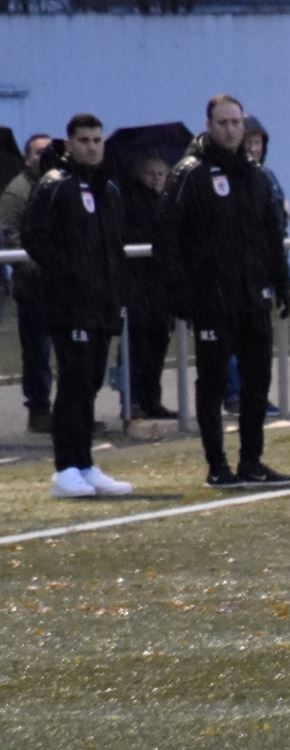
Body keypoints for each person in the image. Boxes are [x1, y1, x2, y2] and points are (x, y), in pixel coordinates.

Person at [156, 94, 290, 488]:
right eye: (223, 123)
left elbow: (272, 234)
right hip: (212, 299)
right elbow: (167, 236)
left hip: (253, 297)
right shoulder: (190, 173)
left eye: (236, 123)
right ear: (209, 125)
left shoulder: (255, 175)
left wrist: (281, 282)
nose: (231, 130)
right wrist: (180, 292)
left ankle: (252, 460)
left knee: (257, 381)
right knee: (213, 383)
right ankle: (217, 464)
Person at [20, 114, 133, 498]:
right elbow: (34, 235)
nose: (92, 147)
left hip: (101, 304)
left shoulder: (108, 189)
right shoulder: (55, 185)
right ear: (69, 144)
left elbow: (114, 247)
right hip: (70, 305)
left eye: (97, 140)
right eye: (85, 140)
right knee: (73, 384)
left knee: (89, 385)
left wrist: (116, 294)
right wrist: (68, 274)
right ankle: (65, 468)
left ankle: (84, 463)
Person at [224, 115, 288, 418]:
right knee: (235, 338)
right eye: (249, 142)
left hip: (264, 266)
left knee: (259, 341)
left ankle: (256, 395)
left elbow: (276, 218)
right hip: (237, 269)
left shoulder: (266, 176)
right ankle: (235, 393)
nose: (254, 148)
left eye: (258, 142)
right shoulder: (230, 176)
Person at [0, 133, 54, 433]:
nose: (44, 157)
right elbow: (11, 238)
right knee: (37, 351)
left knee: (70, 349)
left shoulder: (59, 184)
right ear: (27, 157)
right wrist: (44, 264)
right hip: (34, 286)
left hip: (62, 284)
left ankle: (69, 408)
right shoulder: (17, 193)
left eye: (49, 151)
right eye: (38, 152)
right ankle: (39, 409)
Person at [118, 154, 177, 420]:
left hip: (162, 286)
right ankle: (133, 400)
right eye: (150, 173)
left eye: (161, 173)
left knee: (158, 345)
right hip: (138, 284)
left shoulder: (169, 201)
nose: (156, 178)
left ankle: (152, 400)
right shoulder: (130, 201)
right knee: (137, 345)